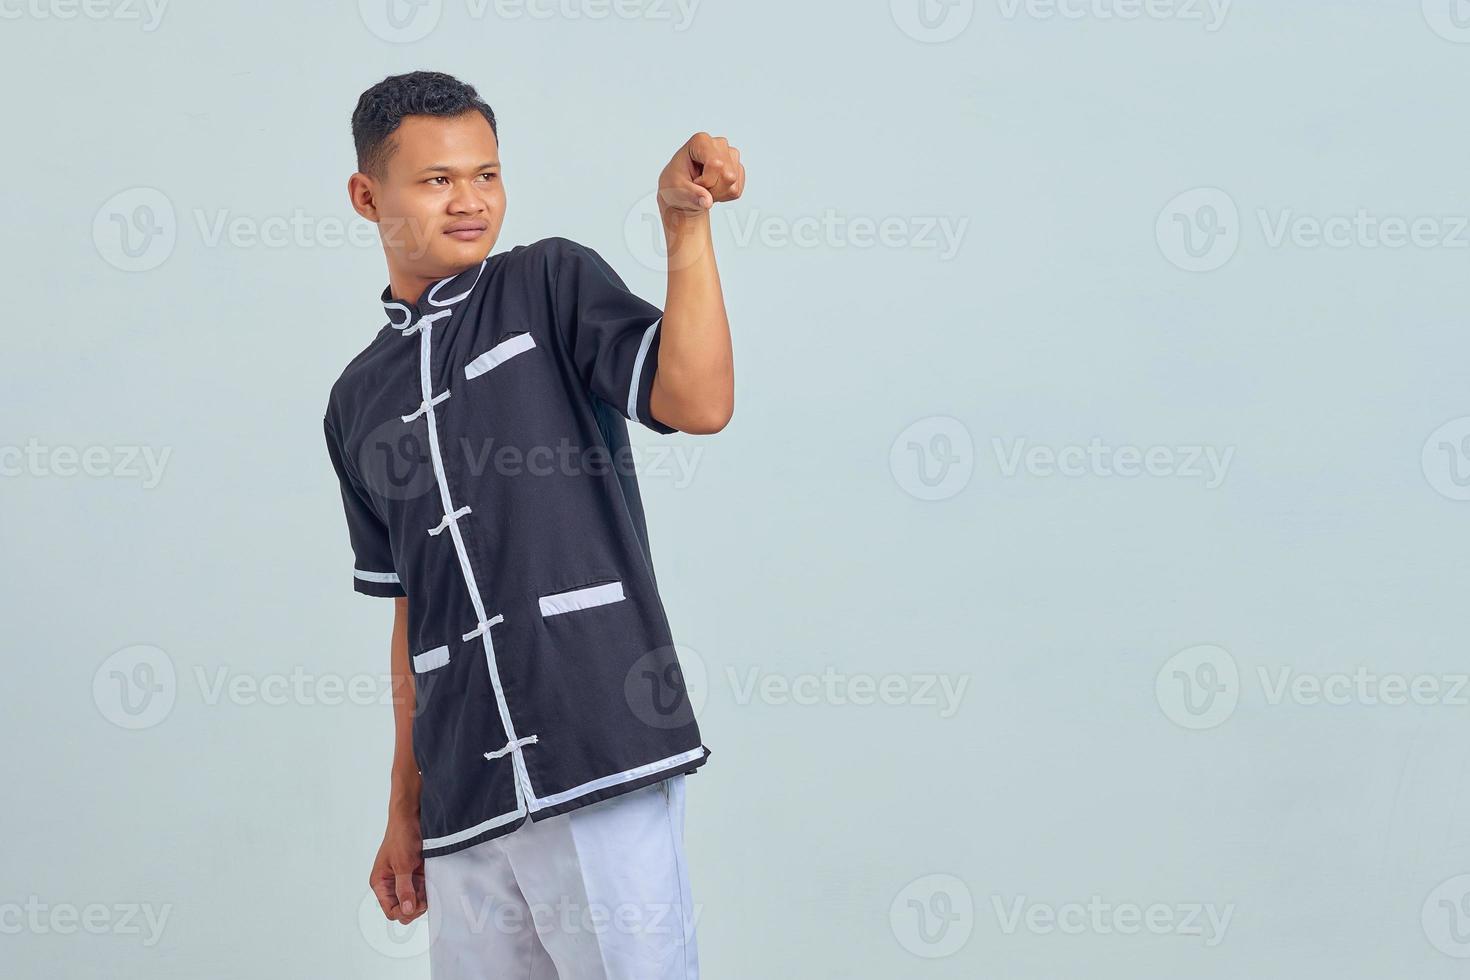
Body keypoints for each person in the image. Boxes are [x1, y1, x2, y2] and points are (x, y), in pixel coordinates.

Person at [321, 70, 743, 979]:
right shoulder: (354, 400)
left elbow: (698, 401)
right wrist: (405, 807)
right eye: (438, 180)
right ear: (368, 195)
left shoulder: (547, 282)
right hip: (463, 798)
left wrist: (685, 226)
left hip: (599, 743)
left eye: (487, 174)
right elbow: (411, 611)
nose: (471, 202)